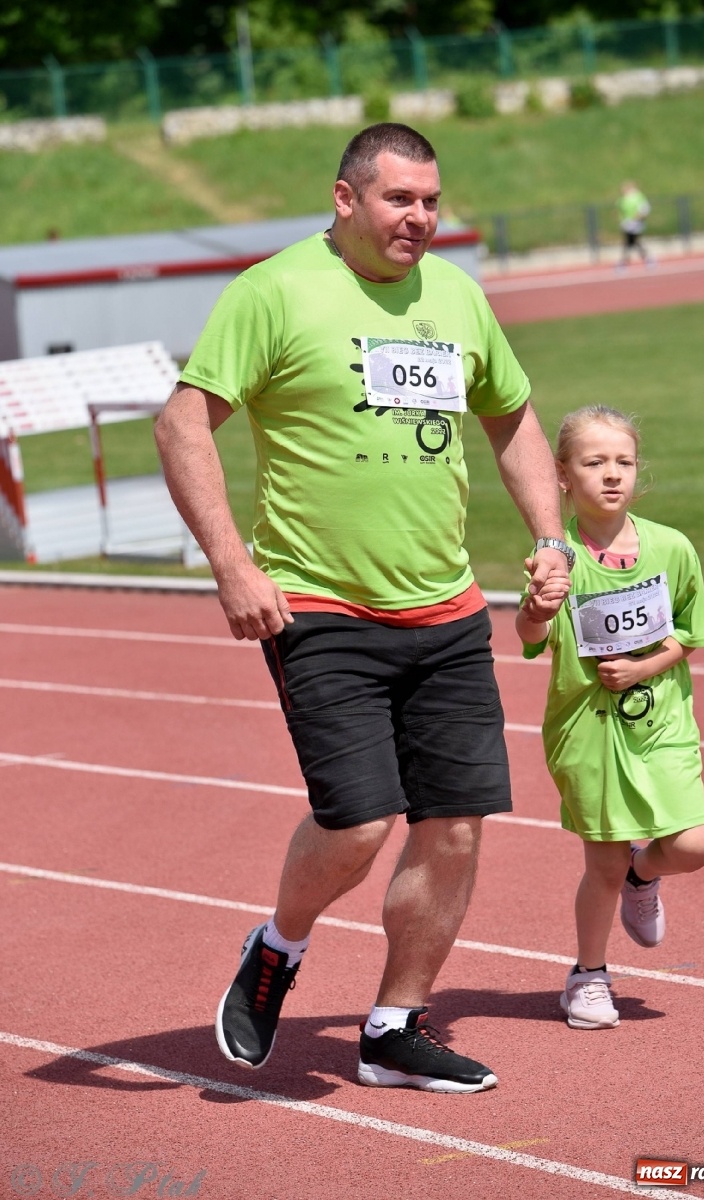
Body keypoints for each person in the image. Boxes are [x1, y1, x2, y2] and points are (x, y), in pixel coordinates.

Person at [154, 122, 573, 1092]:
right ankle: (278, 946)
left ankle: (393, 1027)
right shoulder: (273, 291)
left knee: (455, 826)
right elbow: (181, 425)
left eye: (431, 201)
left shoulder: (457, 297)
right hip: (320, 606)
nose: (419, 217)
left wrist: (550, 540)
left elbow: (510, 416)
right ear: (346, 199)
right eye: (399, 199)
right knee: (357, 821)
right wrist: (232, 565)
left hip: (446, 611)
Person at [515, 405, 704, 1031]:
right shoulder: (559, 558)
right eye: (594, 462)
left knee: (693, 846)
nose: (611, 474)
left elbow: (691, 632)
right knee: (600, 865)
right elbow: (529, 636)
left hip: (660, 722)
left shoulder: (672, 548)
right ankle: (589, 975)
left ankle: (643, 872)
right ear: (562, 475)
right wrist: (536, 609)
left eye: (623, 462)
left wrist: (642, 668)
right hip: (587, 728)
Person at [616, 181, 653, 268]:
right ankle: (626, 261)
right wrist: (623, 222)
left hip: (636, 223)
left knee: (633, 242)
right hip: (627, 224)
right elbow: (620, 212)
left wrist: (637, 219)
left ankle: (625, 261)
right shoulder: (622, 200)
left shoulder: (638, 197)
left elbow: (644, 209)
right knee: (630, 242)